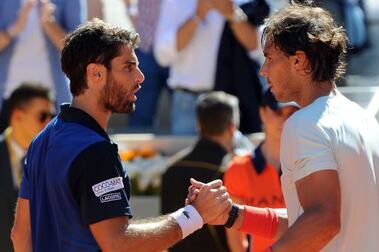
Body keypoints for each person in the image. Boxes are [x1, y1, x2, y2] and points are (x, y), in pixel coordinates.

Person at [190, 1, 379, 251]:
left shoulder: (305, 124)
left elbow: (323, 222)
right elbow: (310, 222)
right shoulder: (364, 120)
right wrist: (233, 215)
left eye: (269, 58)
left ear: (299, 61)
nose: (263, 71)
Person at [11, 20, 233, 252]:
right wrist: (194, 215)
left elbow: (20, 236)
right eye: (128, 67)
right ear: (95, 73)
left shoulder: (42, 139)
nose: (140, 77)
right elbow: (118, 242)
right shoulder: (94, 150)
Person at [154, 0, 269, 135]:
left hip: (232, 103)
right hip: (188, 103)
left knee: (234, 156)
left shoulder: (246, 2)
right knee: (189, 157)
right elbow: (162, 55)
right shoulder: (176, 2)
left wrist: (232, 14)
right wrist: (197, 15)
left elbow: (259, 48)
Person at [162, 91, 239, 252]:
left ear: (198, 123)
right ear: (232, 127)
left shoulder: (171, 169)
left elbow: (165, 230)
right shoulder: (234, 170)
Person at [224, 88, 299, 252]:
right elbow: (235, 236)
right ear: (263, 113)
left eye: (293, 113)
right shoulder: (238, 169)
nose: (285, 119)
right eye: (278, 112)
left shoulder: (311, 163)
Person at [0, 0, 86, 132]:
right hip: (7, 100)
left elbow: (79, 51)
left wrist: (49, 23)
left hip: (53, 101)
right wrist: (13, 29)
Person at [0, 84, 54, 252]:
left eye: (52, 116)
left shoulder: (55, 158)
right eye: (42, 116)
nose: (49, 122)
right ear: (17, 116)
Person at [127, 0, 169, 129]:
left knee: (183, 112)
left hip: (177, 51)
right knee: (141, 115)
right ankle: (138, 149)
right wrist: (129, 8)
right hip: (146, 47)